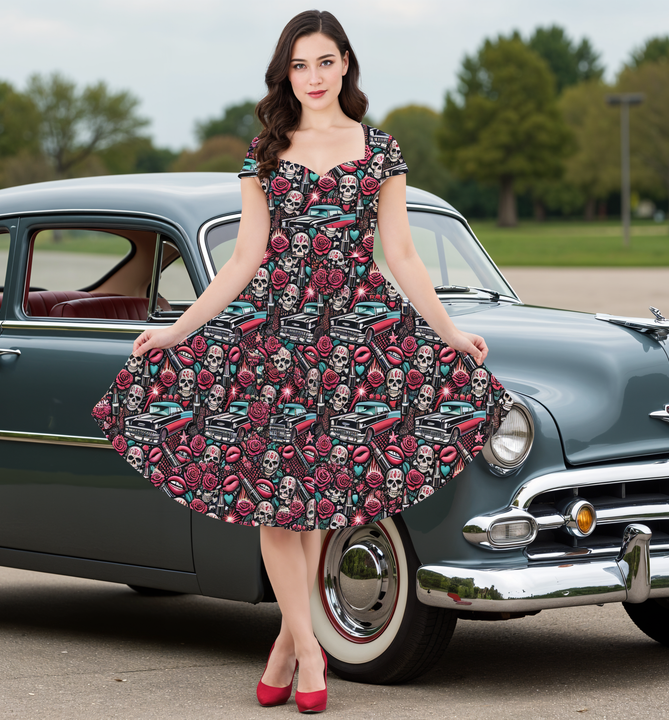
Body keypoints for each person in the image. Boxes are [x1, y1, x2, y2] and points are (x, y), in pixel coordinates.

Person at [95, 9, 507, 714]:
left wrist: (448, 333)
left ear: (345, 63)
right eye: (298, 66)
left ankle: (286, 646)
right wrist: (175, 331)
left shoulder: (380, 151)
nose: (312, 78)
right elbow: (243, 261)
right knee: (276, 501)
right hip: (274, 334)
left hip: (355, 335)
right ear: (286, 74)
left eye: (324, 62)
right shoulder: (266, 151)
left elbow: (402, 255)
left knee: (319, 495)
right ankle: (310, 646)